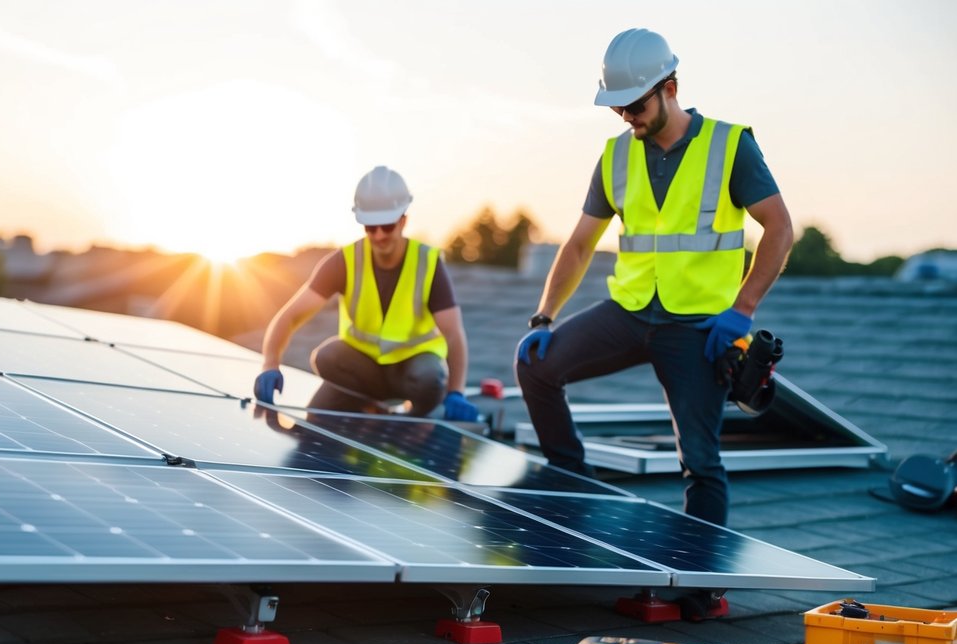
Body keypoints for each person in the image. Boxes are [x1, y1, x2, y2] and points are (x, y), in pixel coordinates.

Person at [515, 28, 793, 526]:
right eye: (617, 107)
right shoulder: (616, 156)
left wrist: (742, 310)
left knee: (700, 462)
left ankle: (700, 585)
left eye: (635, 104)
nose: (627, 117)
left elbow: (779, 228)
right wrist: (543, 317)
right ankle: (575, 488)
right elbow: (579, 243)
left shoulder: (730, 145)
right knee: (537, 368)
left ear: (670, 86)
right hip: (628, 311)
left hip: (701, 328)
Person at [254, 166, 479, 422]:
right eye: (371, 228)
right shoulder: (344, 261)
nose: (379, 235)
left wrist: (456, 392)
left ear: (403, 220)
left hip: (413, 374)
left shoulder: (427, 262)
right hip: (363, 371)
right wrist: (270, 364)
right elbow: (290, 316)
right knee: (327, 357)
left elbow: (453, 333)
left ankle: (412, 422)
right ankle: (367, 404)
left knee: (431, 377)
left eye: (387, 226)